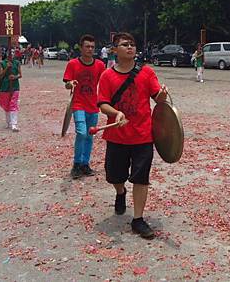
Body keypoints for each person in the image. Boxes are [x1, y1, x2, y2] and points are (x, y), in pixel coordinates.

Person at [97, 32, 168, 240]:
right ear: (114, 50)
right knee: (114, 176)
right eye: (124, 44)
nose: (130, 47)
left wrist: (163, 94)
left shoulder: (146, 73)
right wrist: (116, 113)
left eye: (132, 44)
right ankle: (120, 192)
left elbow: (158, 98)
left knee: (141, 178)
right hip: (117, 136)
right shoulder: (107, 76)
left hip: (143, 136)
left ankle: (138, 219)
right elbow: (102, 104)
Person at [63, 34, 106, 179]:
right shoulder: (73, 64)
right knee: (81, 132)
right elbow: (67, 83)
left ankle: (85, 164)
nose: (90, 49)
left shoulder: (100, 65)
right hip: (78, 104)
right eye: (87, 46)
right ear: (80, 48)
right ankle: (76, 164)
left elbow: (106, 81)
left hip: (93, 105)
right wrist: (71, 84)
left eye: (92, 47)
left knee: (89, 136)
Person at [0, 50, 22, 131]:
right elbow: (0, 76)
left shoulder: (17, 63)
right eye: (9, 52)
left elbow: (20, 74)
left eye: (13, 52)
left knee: (13, 105)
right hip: (4, 87)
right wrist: (7, 67)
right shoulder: (2, 63)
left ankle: (14, 124)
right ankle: (9, 122)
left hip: (15, 86)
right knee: (5, 105)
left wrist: (15, 77)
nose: (11, 54)